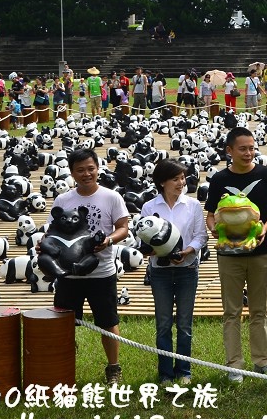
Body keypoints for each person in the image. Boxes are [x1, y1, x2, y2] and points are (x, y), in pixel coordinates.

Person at [203, 126, 267, 382]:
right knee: (231, 311)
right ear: (229, 151)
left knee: (260, 309)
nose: (249, 153)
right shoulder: (218, 179)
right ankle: (234, 365)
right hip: (229, 255)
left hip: (261, 252)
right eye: (243, 149)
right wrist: (214, 229)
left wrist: (265, 229)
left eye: (252, 148)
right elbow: (210, 213)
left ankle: (263, 361)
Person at [46, 148, 130, 384]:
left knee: (108, 323)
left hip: (102, 272)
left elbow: (123, 227)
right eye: (80, 170)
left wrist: (108, 241)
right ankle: (64, 368)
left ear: (98, 169)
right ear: (72, 173)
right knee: (64, 325)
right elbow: (52, 231)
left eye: (90, 168)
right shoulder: (64, 200)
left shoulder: (111, 197)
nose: (86, 174)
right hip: (68, 275)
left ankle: (113, 368)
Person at [140, 159, 207, 385]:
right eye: (176, 179)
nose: (181, 182)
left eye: (183, 178)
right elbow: (144, 239)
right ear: (162, 182)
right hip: (160, 272)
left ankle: (184, 371)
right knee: (163, 323)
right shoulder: (149, 207)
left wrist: (188, 251)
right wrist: (156, 251)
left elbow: (201, 236)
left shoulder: (193, 205)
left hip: (187, 270)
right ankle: (166, 373)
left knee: (185, 324)